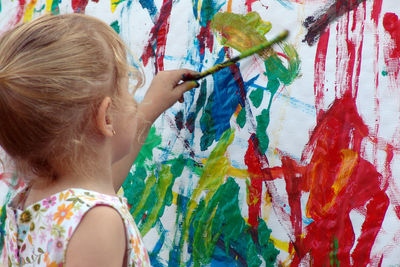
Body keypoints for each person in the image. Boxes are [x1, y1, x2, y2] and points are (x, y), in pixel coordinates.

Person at [0, 13, 198, 266]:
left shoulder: (42, 197)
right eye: (127, 92)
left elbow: (102, 182)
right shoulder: (99, 222)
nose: (132, 101)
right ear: (106, 118)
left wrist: (148, 110)